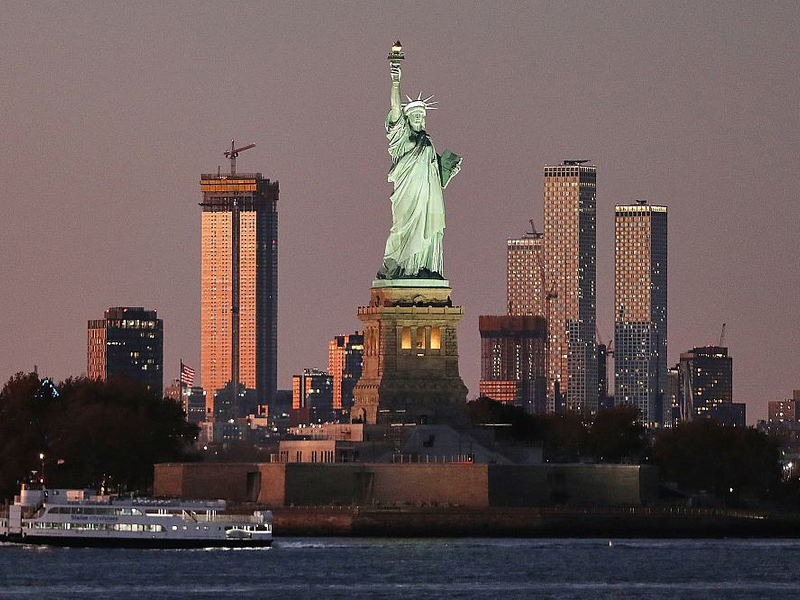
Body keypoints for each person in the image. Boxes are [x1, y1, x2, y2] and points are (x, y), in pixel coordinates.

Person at [376, 61, 462, 280]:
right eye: (416, 117)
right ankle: (402, 268)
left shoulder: (428, 143)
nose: (420, 120)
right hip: (408, 196)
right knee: (401, 231)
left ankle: (423, 267)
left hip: (428, 199)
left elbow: (436, 177)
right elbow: (396, 109)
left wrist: (448, 170)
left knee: (429, 231)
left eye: (423, 117)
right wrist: (396, 81)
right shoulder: (403, 140)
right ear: (407, 120)